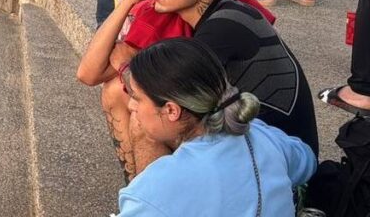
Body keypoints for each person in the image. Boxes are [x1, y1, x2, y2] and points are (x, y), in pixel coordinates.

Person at [134, 0, 320, 155]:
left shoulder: (225, 26)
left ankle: (148, 193)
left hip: (283, 165)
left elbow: (156, 90)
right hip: (265, 145)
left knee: (149, 124)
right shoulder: (224, 12)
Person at [117, 38, 316, 216]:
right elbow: (306, 162)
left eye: (136, 98)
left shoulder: (152, 192)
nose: (130, 106)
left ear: (171, 110)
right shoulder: (261, 135)